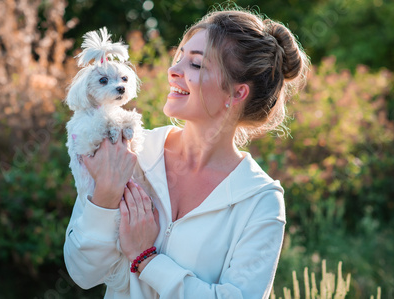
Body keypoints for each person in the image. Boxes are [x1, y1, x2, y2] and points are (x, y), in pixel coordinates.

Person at [63, 7, 309, 299]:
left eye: (195, 64)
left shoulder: (259, 200)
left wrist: (148, 259)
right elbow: (83, 273)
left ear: (236, 93)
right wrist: (104, 196)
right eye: (178, 57)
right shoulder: (128, 151)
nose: (172, 70)